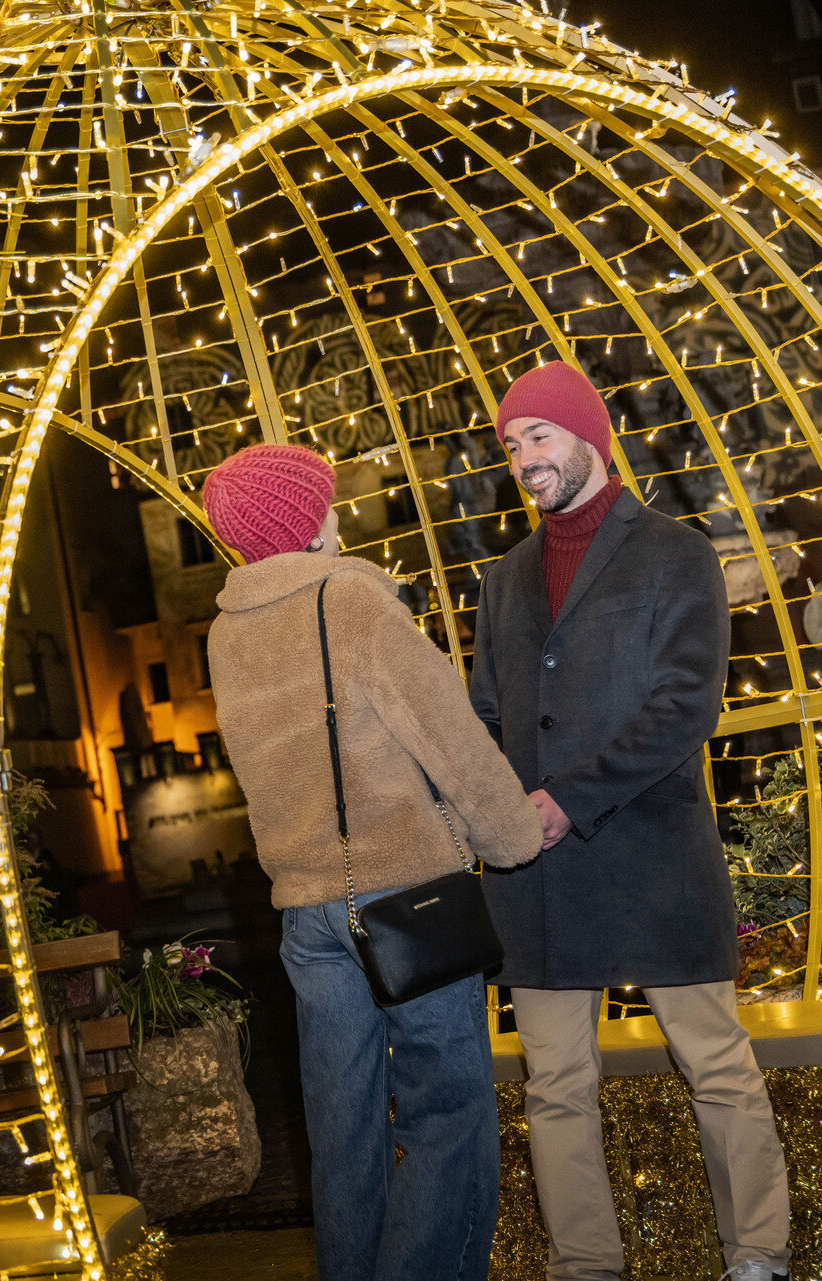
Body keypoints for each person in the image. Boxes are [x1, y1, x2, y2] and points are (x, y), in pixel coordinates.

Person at [468, 361, 791, 1281]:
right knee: (555, 1087)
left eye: (538, 435)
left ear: (588, 437)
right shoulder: (504, 580)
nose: (523, 457)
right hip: (536, 872)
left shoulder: (675, 553)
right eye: (511, 443)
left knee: (717, 1066)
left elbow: (685, 706)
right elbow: (486, 714)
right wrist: (489, 808)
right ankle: (586, 1266)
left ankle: (758, 1253)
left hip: (652, 853)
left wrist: (570, 797)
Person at [203, 443, 542, 1281]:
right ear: (305, 518)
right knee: (446, 1114)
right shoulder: (351, 599)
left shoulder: (224, 632)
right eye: (323, 499)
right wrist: (512, 837)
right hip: (402, 898)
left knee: (343, 1130)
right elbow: (449, 735)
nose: (335, 512)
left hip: (307, 912)